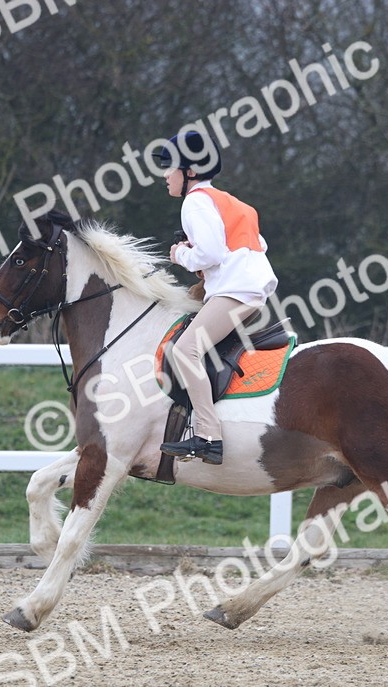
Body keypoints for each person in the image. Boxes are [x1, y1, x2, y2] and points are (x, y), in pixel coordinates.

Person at [155, 131, 278, 465]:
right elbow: (257, 245)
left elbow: (210, 253)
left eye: (171, 168)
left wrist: (181, 254)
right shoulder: (230, 201)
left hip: (235, 291)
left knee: (185, 350)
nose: (166, 175)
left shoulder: (195, 202)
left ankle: (208, 437)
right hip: (250, 288)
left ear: (191, 171)